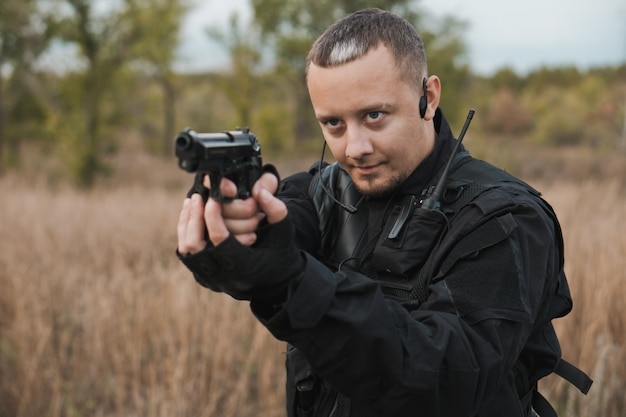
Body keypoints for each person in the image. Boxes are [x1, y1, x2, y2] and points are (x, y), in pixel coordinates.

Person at [176, 8, 591, 417]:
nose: (354, 147)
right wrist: (236, 234)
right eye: (334, 124)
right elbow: (280, 230)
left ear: (427, 98)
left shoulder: (505, 219)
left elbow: (447, 376)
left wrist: (295, 281)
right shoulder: (320, 193)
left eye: (374, 116)